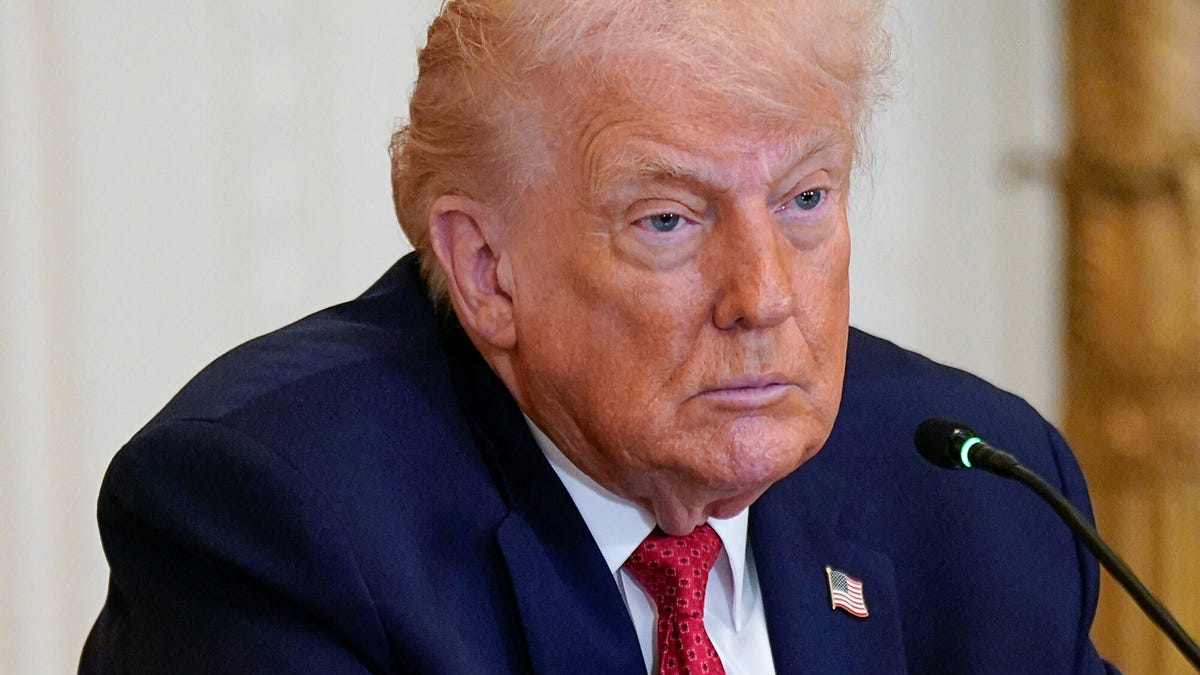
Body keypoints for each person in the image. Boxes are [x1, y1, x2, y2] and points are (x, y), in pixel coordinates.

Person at [81, 1, 1118, 673]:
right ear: (488, 270)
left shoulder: (977, 497)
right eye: (668, 220)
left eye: (805, 199)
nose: (763, 295)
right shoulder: (278, 520)